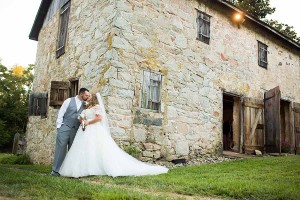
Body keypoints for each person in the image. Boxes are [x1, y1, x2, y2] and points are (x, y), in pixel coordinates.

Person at [59, 93, 168, 178]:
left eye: (90, 97)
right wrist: (82, 120)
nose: (88, 98)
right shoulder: (87, 108)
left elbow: (99, 118)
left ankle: (95, 168)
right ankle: (83, 168)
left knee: (95, 148)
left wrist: (88, 123)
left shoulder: (97, 107)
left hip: (94, 129)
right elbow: (81, 116)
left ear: (94, 99)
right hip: (84, 130)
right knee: (84, 149)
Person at [51, 88, 90, 176]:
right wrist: (59, 127)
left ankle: (71, 172)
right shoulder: (68, 101)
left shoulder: (85, 104)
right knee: (60, 149)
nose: (87, 97)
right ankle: (55, 171)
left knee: (73, 150)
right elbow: (61, 113)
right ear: (81, 94)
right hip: (65, 127)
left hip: (76, 130)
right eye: (86, 95)